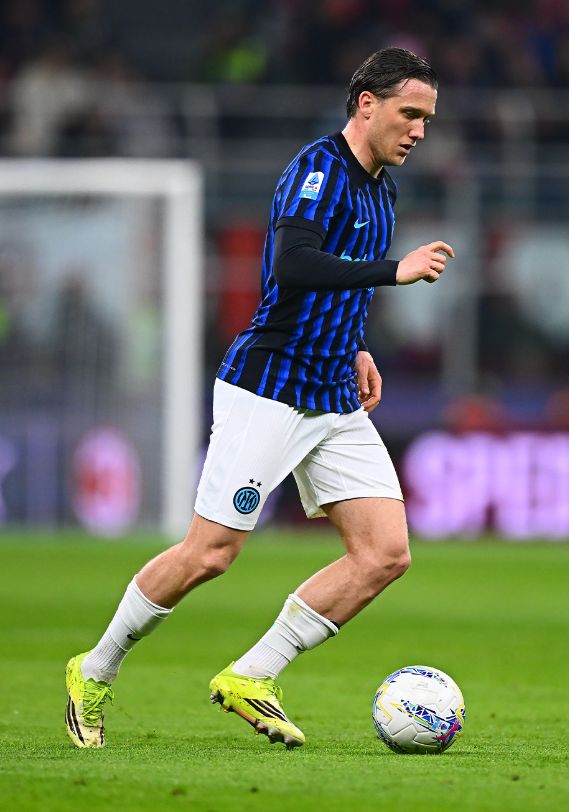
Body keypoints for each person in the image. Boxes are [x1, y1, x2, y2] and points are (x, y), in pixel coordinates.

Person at [65, 47, 454, 750]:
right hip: (269, 387)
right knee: (210, 554)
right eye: (410, 114)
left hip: (333, 392)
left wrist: (357, 345)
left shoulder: (383, 190)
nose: (420, 131)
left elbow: (338, 284)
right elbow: (295, 265)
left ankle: (252, 674)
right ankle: (94, 668)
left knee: (384, 553)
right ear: (367, 103)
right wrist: (394, 271)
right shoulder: (317, 171)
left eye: (426, 118)